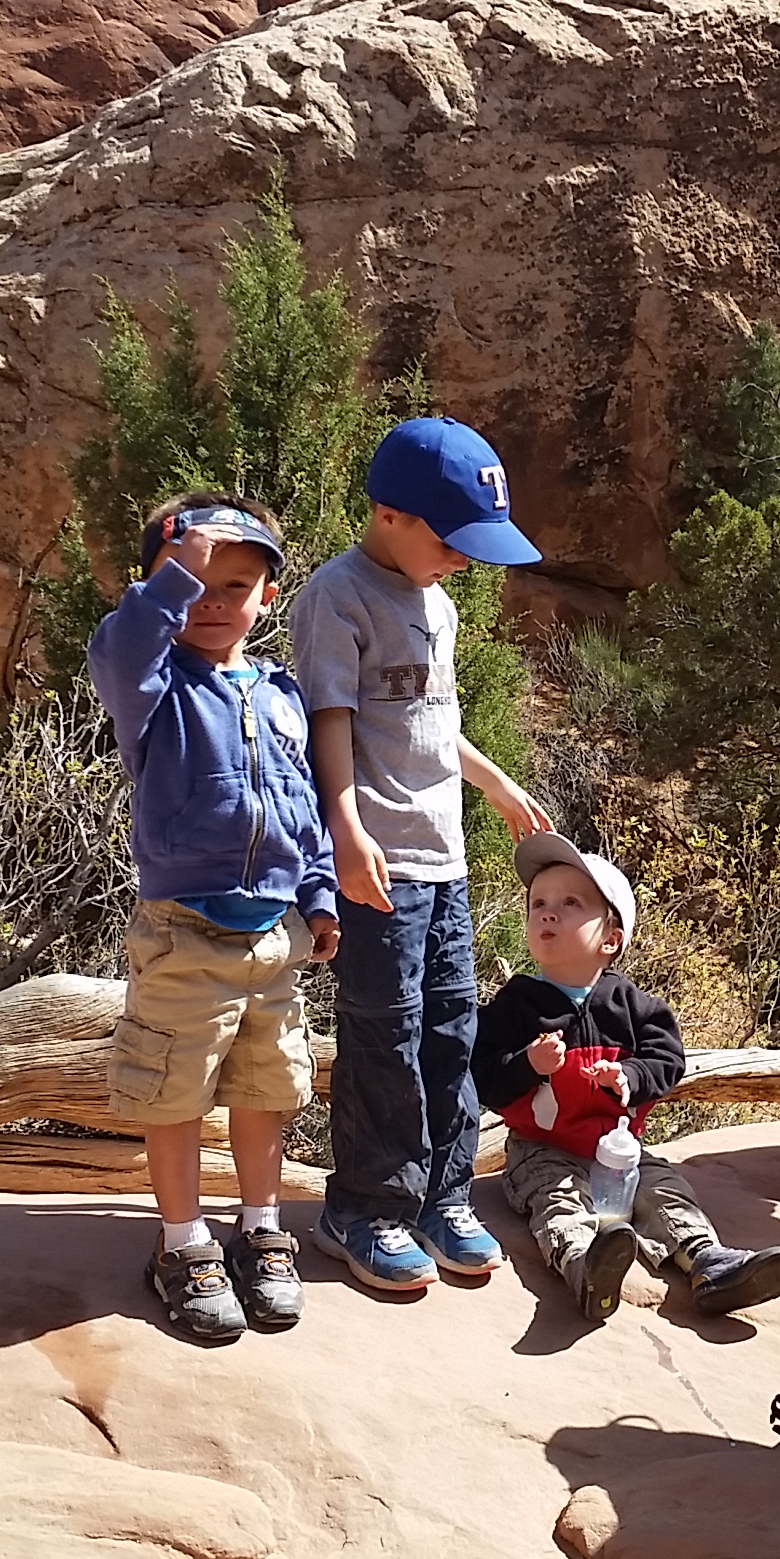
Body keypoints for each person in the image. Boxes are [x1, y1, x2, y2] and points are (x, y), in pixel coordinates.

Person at [292, 417, 553, 1293]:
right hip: (381, 861)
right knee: (383, 1034)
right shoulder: (340, 596)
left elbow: (432, 719)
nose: (465, 561)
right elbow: (332, 719)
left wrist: (492, 781)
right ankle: (365, 1207)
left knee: (450, 1026)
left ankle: (444, 1195)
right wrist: (346, 829)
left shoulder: (435, 600)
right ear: (389, 514)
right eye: (451, 540)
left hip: (444, 859)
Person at [85, 495, 338, 1344]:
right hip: (186, 929)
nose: (215, 600)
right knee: (176, 1092)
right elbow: (123, 652)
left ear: (267, 596)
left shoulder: (280, 694)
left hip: (276, 935)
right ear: (158, 582)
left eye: (237, 583)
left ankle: (260, 1225)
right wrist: (174, 574)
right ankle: (182, 1241)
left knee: (268, 1088)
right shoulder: (154, 685)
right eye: (194, 580)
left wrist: (320, 894)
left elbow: (302, 810)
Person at [474, 832, 780, 1321]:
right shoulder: (515, 1005)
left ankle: (709, 1262)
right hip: (541, 1147)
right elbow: (484, 1074)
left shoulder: (633, 1005)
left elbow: (667, 1059)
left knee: (663, 1188)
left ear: (611, 938)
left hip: (619, 1145)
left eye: (570, 903)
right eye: (538, 903)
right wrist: (527, 1065)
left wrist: (630, 1075)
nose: (547, 912)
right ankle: (587, 1268)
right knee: (556, 1199)